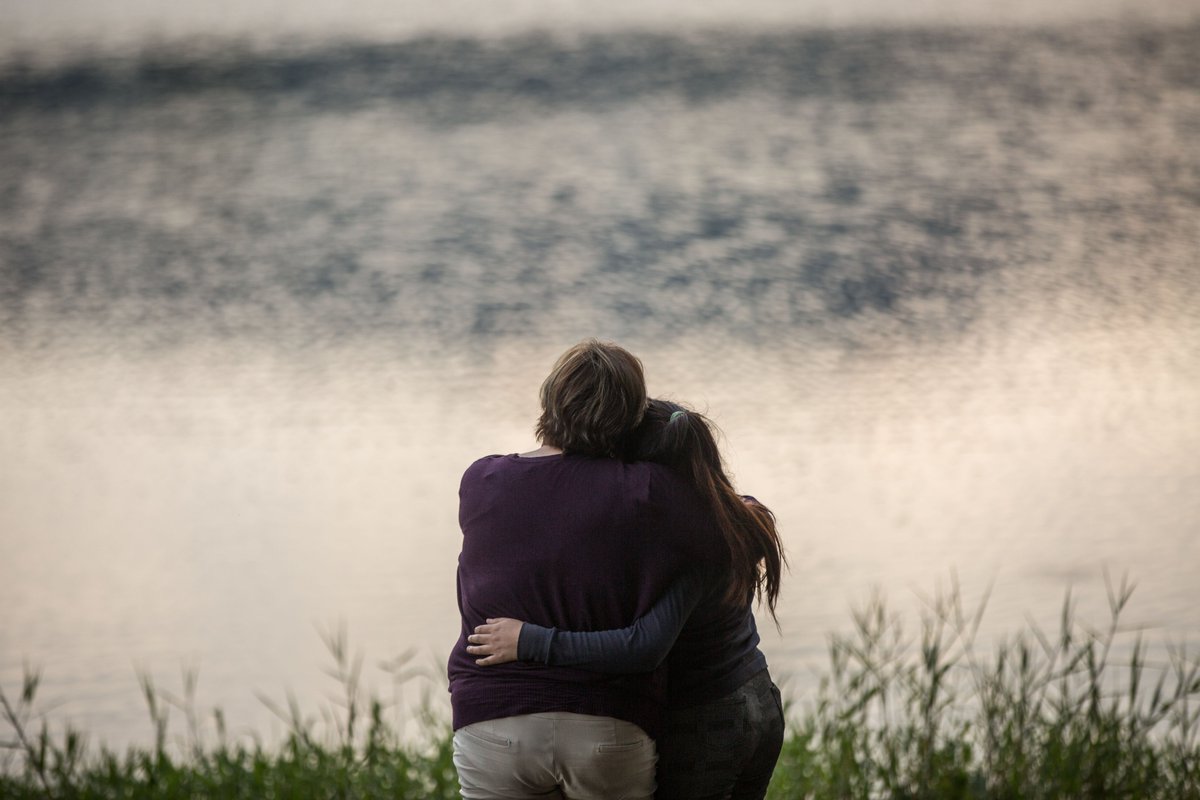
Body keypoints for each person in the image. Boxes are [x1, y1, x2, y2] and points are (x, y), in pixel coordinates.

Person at [466, 399, 788, 800]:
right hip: (758, 698)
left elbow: (643, 646)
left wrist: (528, 640)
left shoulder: (687, 554)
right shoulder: (724, 520)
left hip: (707, 720)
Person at [448, 343, 724, 800]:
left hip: (491, 717)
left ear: (549, 399)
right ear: (632, 417)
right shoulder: (648, 491)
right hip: (608, 722)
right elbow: (732, 533)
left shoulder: (481, 480)